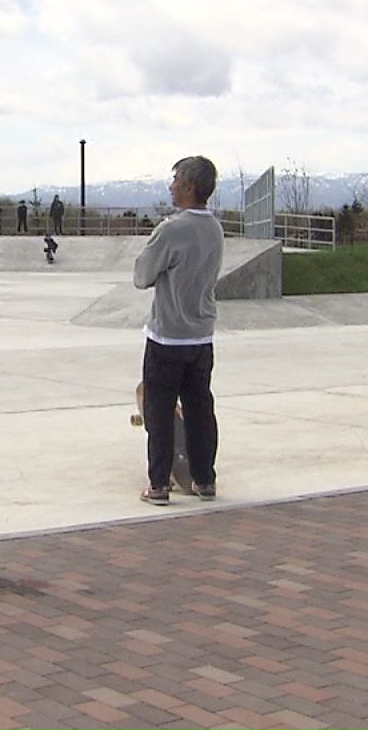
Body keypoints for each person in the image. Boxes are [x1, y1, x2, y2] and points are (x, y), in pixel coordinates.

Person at [133, 155, 222, 505]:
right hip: (202, 335)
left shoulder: (171, 229)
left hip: (167, 336)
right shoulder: (215, 228)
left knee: (160, 412)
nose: (171, 186)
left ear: (189, 185)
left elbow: (142, 276)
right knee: (200, 409)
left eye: (175, 180)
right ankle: (204, 479)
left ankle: (158, 485)